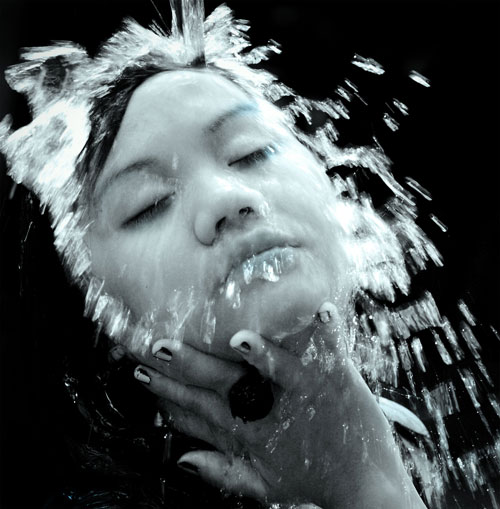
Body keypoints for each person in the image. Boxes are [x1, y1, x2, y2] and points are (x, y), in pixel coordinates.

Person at [0, 1, 498, 508]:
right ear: (103, 325)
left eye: (251, 152)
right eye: (148, 205)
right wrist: (365, 487)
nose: (226, 199)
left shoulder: (422, 439)